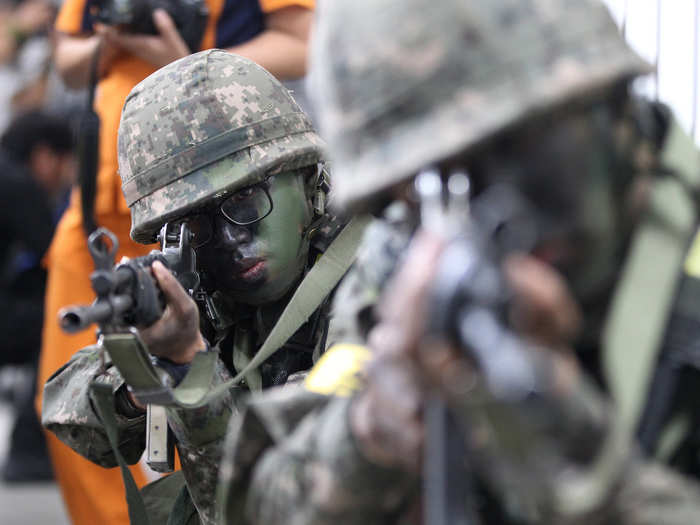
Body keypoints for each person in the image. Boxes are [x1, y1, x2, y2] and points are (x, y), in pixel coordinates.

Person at [216, 0, 700, 523]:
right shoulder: (410, 253)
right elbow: (265, 499)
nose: (481, 214)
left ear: (613, 107)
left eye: (515, 150)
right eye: (426, 187)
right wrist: (371, 432)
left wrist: (574, 452)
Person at [42, 49, 355, 525]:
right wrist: (144, 377)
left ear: (306, 174)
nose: (230, 240)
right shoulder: (205, 292)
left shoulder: (376, 279)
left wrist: (192, 369)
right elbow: (71, 411)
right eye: (196, 225)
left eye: (246, 202)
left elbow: (292, 504)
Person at [0, 110, 74, 482]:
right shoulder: (18, 185)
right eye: (66, 166)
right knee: (59, 322)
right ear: (46, 156)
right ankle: (29, 446)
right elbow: (57, 256)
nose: (65, 179)